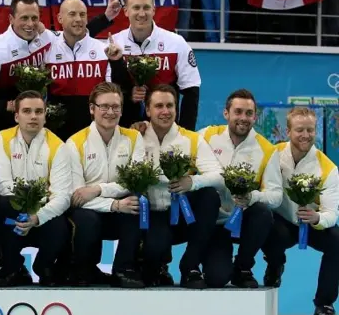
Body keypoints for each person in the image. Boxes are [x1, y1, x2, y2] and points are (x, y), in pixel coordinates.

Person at [0, 0, 122, 139]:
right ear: (11, 19)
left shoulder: (45, 38)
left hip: (36, 125)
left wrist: (106, 17)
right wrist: (6, 106)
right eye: (24, 18)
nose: (30, 24)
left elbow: (74, 33)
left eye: (34, 18)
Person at [138, 84, 223, 289]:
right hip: (152, 215)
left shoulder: (192, 139)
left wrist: (192, 182)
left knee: (209, 196)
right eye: (159, 106)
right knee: (153, 252)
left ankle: (190, 266)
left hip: (185, 215)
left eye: (170, 105)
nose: (165, 111)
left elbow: (219, 175)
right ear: (148, 110)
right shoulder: (135, 137)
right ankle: (156, 266)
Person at [198, 89, 282, 288]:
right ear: (226, 113)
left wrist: (251, 197)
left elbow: (276, 196)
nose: (243, 118)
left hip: (244, 220)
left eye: (249, 113)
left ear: (255, 116)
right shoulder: (206, 136)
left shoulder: (267, 150)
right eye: (238, 112)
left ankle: (243, 267)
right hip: (214, 221)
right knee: (216, 279)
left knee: (262, 212)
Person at [65, 82, 146, 287]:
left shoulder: (134, 138)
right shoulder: (74, 142)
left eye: (116, 107)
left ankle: (124, 269)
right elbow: (77, 195)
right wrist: (112, 204)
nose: (110, 112)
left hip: (120, 204)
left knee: (136, 205)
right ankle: (84, 270)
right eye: (104, 107)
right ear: (92, 109)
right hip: (89, 209)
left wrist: (98, 189)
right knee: (86, 218)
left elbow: (132, 180)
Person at [262, 106, 339, 315]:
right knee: (263, 222)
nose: (305, 135)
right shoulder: (273, 155)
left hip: (312, 224)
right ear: (288, 132)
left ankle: (324, 305)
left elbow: (332, 212)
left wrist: (318, 218)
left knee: (337, 241)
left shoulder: (328, 169)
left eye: (310, 130)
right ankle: (275, 264)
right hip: (282, 222)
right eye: (299, 130)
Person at [0, 90, 72, 287]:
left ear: (45, 115)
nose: (33, 116)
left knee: (60, 223)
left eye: (39, 111)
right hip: (14, 209)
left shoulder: (58, 146)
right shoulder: (2, 138)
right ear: (17, 116)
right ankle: (13, 268)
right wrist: (26, 204)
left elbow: (62, 196)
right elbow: (3, 185)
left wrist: (37, 216)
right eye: (27, 111)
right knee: (0, 206)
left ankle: (44, 267)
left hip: (43, 214)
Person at [111, 0, 202, 130]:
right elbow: (107, 92)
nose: (142, 13)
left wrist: (186, 134)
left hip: (166, 130)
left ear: (154, 10)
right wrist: (128, 94)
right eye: (136, 8)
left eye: (146, 7)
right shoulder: (114, 44)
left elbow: (191, 93)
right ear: (126, 11)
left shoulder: (176, 43)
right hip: (124, 130)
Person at [44, 0, 127, 141]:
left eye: (82, 14)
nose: (78, 19)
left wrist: (117, 62)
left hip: (95, 134)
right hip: (57, 134)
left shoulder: (103, 50)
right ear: (60, 18)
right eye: (72, 14)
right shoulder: (47, 50)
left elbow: (119, 90)